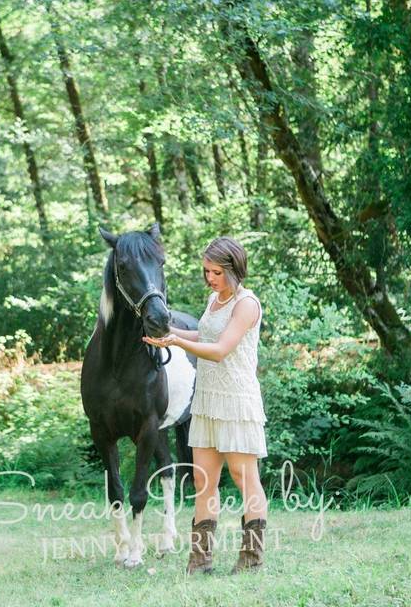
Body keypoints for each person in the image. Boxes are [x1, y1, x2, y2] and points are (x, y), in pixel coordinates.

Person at [142, 236, 268, 575]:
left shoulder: (246, 304)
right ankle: (200, 561)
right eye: (206, 271)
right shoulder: (214, 300)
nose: (210, 278)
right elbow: (205, 336)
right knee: (203, 481)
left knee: (244, 478)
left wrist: (176, 341)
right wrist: (168, 331)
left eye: (216, 272)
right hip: (207, 399)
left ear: (234, 269)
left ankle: (252, 558)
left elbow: (221, 348)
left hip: (237, 400)